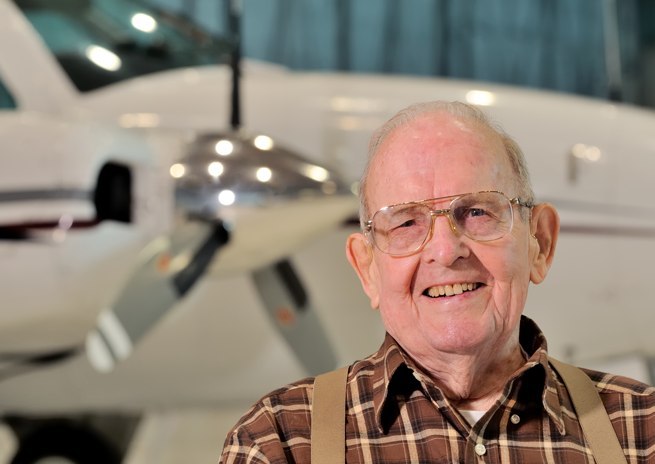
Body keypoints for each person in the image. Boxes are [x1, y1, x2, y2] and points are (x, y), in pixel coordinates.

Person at [219, 101, 655, 463]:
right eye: (406, 222)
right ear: (367, 268)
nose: (445, 251)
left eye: (479, 212)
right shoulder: (280, 444)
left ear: (539, 243)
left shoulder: (643, 432)